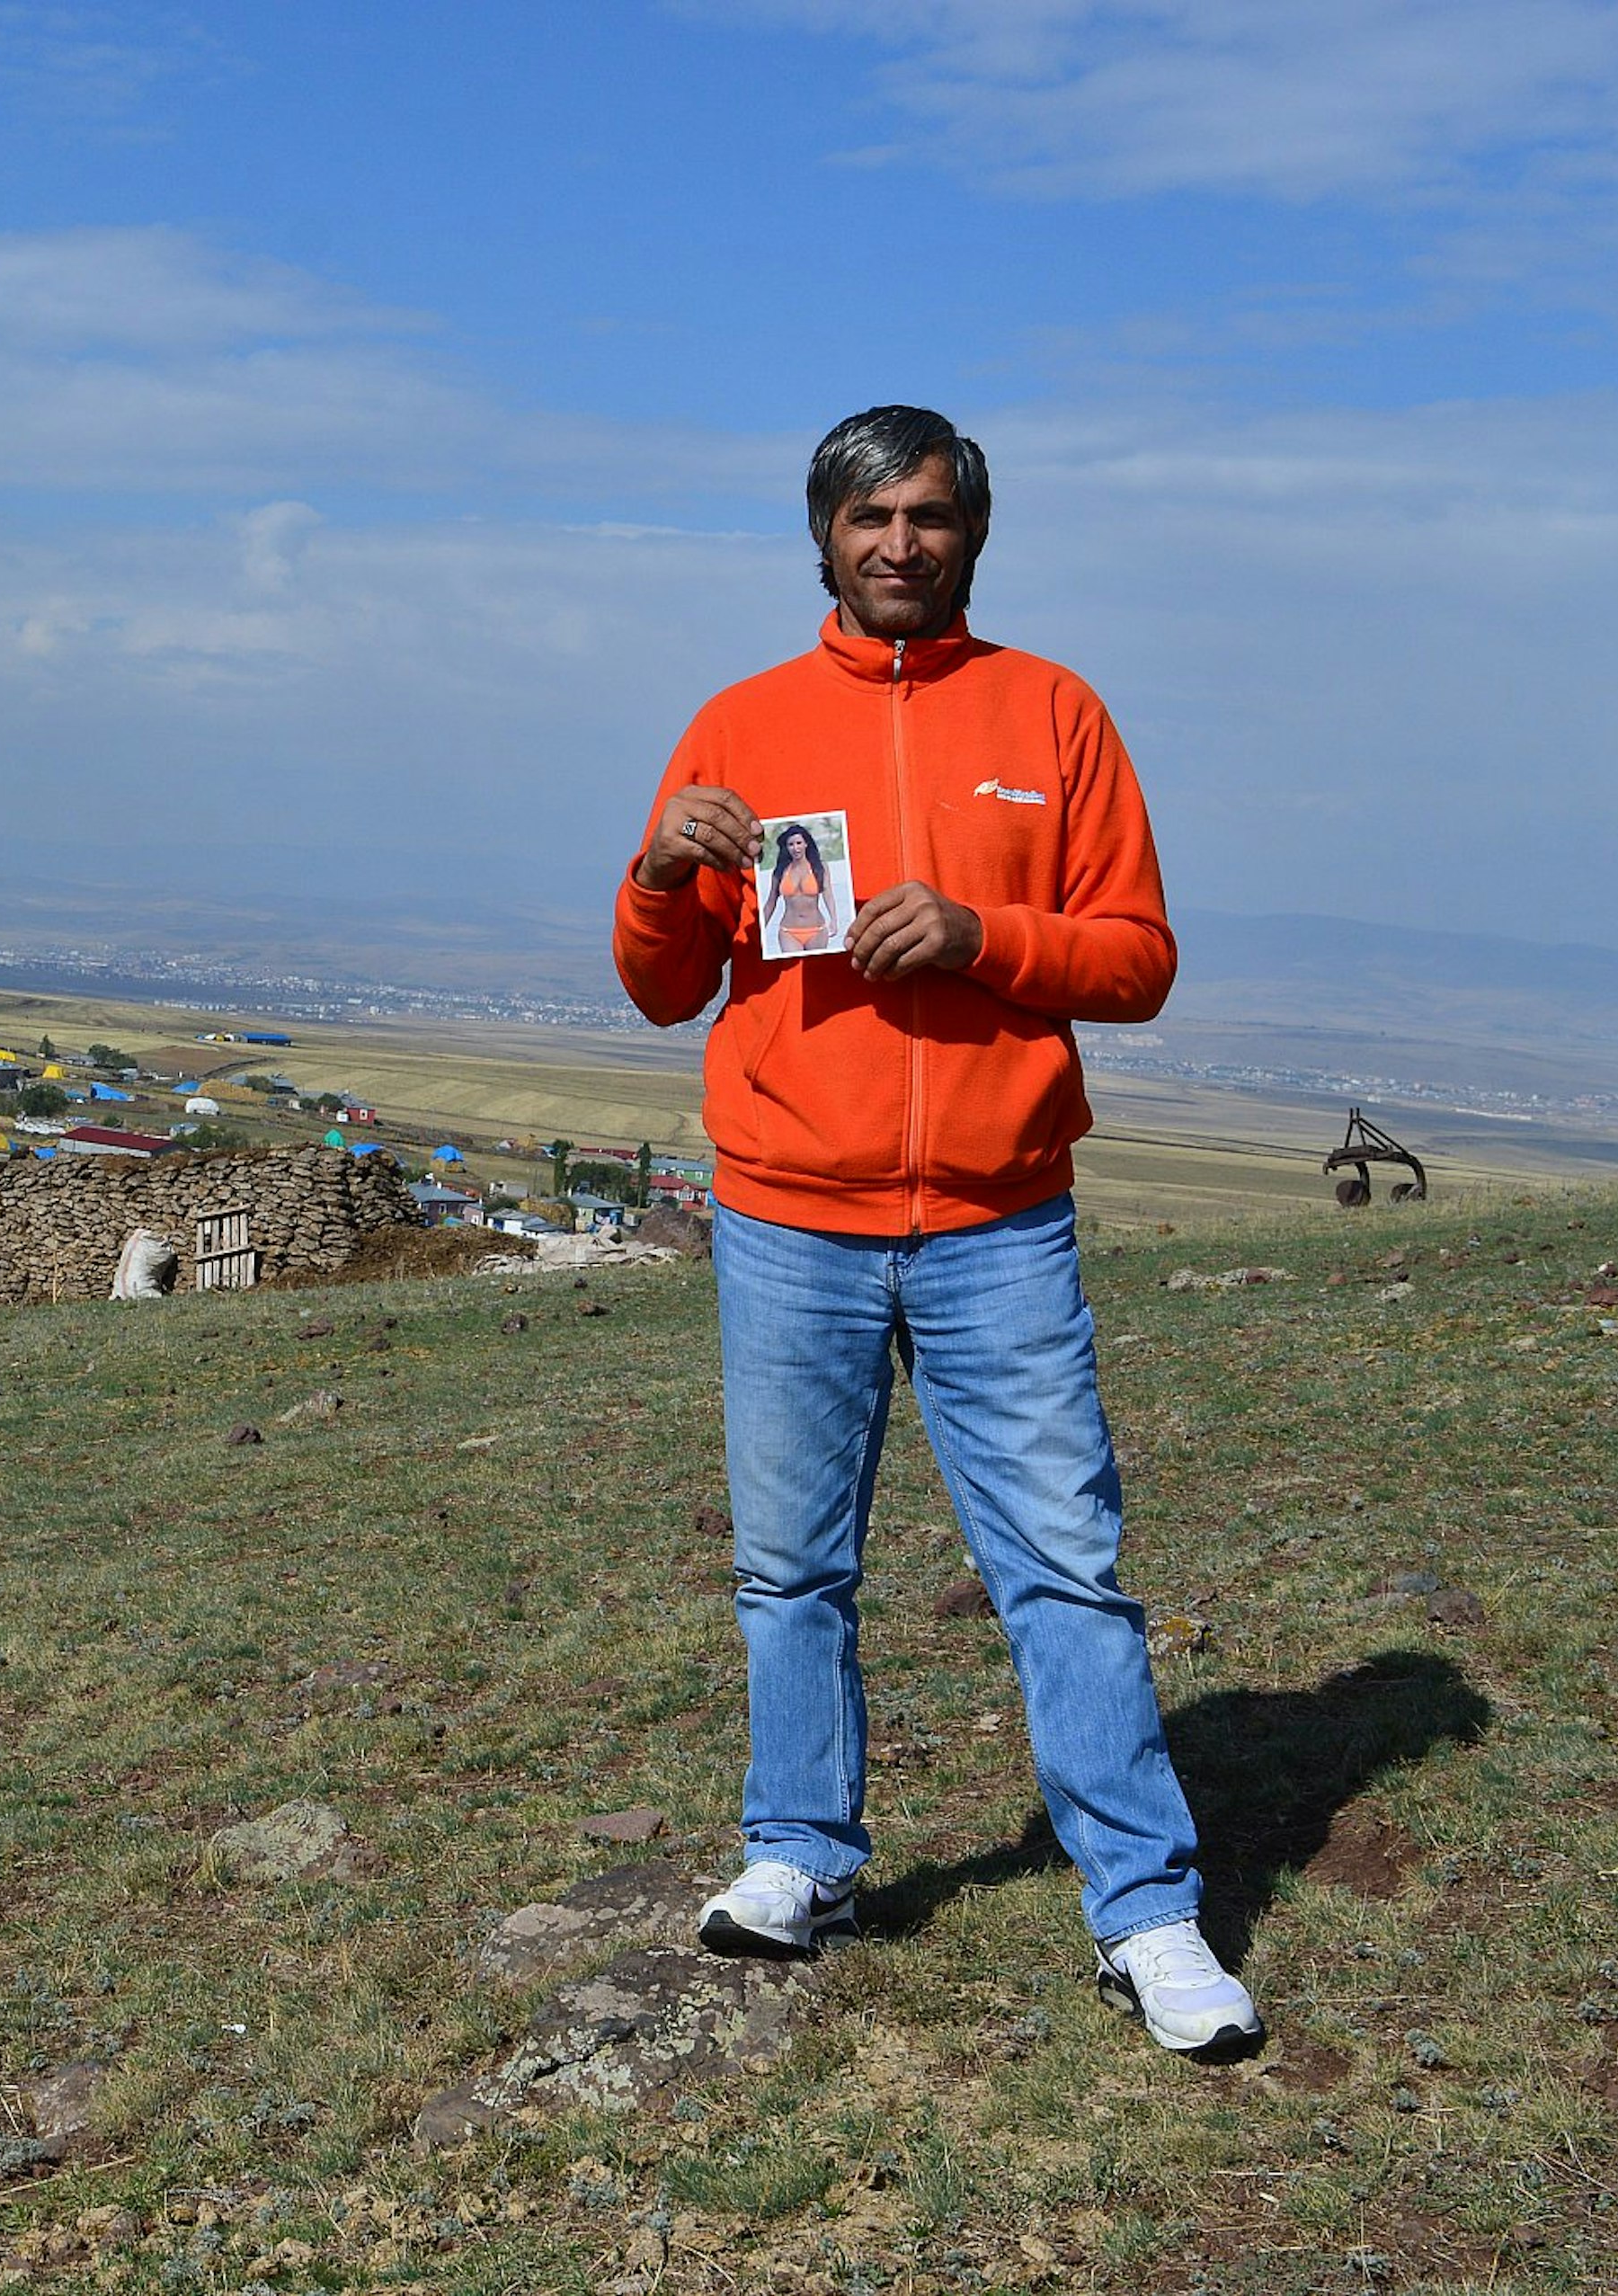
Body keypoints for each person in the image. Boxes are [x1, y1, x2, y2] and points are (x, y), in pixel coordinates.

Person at [610, 405, 1259, 2058]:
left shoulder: (1054, 710)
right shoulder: (738, 721)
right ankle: (799, 1854)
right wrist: (660, 870)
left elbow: (1139, 960)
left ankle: (1150, 1910)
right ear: (819, 535)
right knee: (789, 1566)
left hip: (998, 1220)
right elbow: (664, 981)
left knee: (1066, 1568)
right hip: (786, 1215)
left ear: (974, 531)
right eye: (870, 516)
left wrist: (984, 934)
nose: (900, 542)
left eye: (931, 515)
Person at [760, 823, 842, 954]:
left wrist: (834, 920)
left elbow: (828, 894)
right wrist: (759, 928)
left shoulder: (820, 867)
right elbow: (771, 902)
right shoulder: (780, 871)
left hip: (817, 930)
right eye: (791, 844)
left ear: (806, 844)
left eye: (799, 843)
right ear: (786, 847)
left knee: (816, 970)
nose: (795, 848)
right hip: (788, 932)